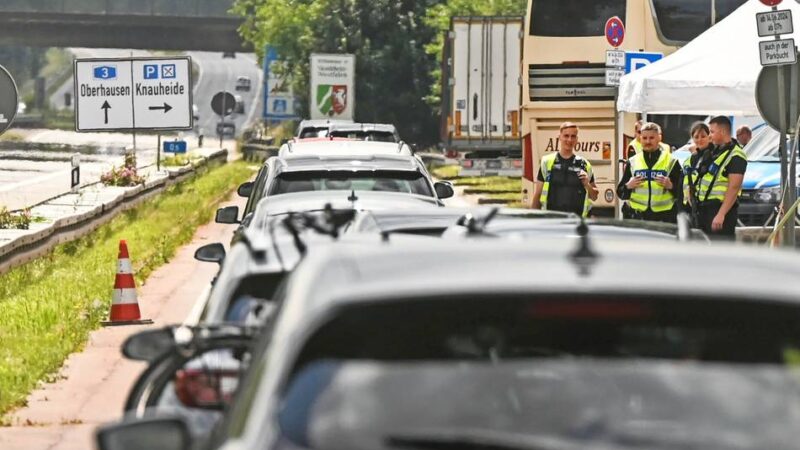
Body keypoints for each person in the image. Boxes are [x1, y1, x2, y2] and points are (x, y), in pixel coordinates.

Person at [617, 122, 682, 223]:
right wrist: (628, 186)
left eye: (651, 138)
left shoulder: (671, 161)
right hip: (637, 218)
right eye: (644, 138)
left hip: (664, 219)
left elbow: (683, 193)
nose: (648, 141)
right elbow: (620, 193)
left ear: (659, 138)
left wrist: (671, 186)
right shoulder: (633, 161)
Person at [695, 116, 747, 240]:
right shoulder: (716, 150)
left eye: (712, 132)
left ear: (723, 132)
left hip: (720, 210)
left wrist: (721, 214)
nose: (710, 136)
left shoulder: (736, 156)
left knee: (721, 251)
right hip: (705, 209)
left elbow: (734, 188)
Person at [531, 122, 599, 217]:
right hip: (552, 221)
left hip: (577, 222)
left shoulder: (585, 164)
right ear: (560, 137)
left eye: (573, 136)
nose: (569, 140)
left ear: (577, 139)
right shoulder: (547, 162)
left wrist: (587, 185)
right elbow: (538, 195)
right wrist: (533, 219)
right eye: (566, 136)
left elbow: (594, 196)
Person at [682, 122, 712, 220]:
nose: (699, 139)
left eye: (703, 136)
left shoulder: (714, 156)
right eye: (696, 137)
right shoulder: (691, 159)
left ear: (709, 137)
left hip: (708, 206)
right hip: (691, 206)